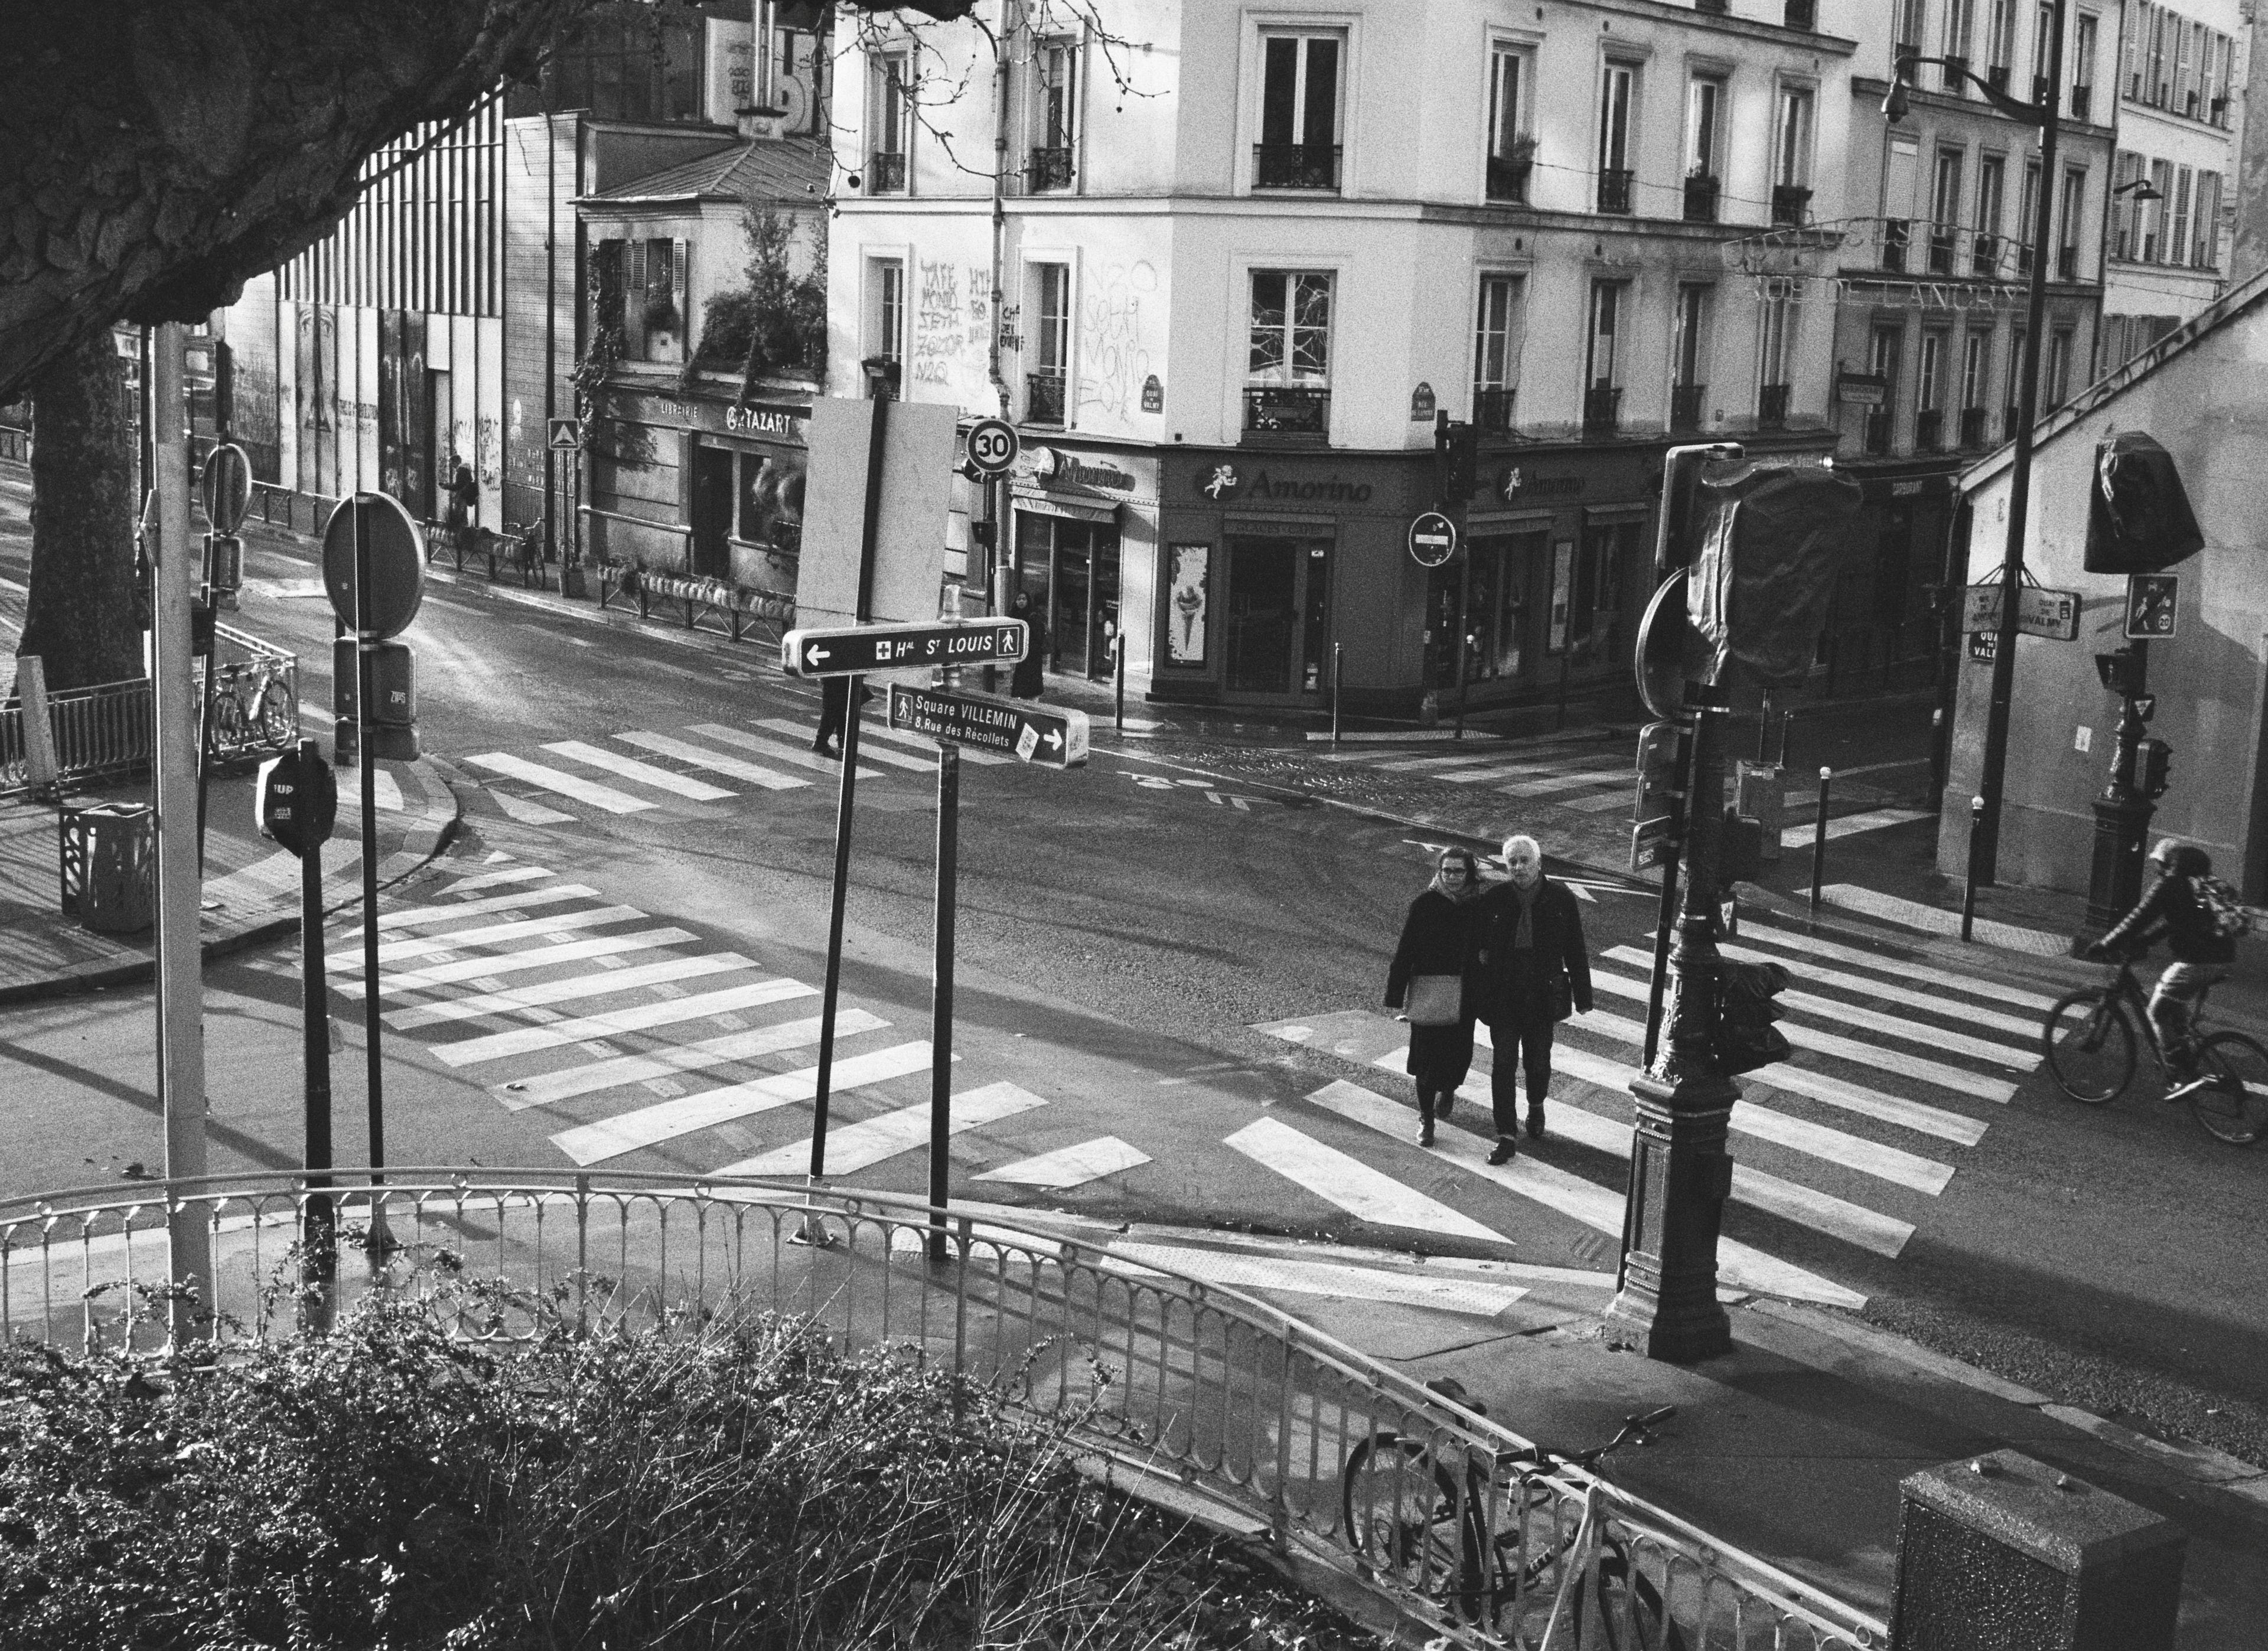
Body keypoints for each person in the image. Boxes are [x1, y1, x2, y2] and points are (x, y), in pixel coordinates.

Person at [1470, 834, 1593, 1164]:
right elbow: (1477, 948)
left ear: (1539, 864)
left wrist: (1583, 995)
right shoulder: (1494, 898)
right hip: (1505, 996)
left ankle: (1536, 1104)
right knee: (1503, 1064)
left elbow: (1575, 948)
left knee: (1538, 1061)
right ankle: (1506, 1135)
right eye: (1512, 862)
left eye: (1525, 861)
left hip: (1542, 995)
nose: (1518, 867)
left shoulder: (1560, 898)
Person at [2084, 837, 2239, 1092]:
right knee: (2171, 999)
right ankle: (2186, 1049)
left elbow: (2139, 917)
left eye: (2158, 864)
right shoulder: (2195, 887)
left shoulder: (2168, 884)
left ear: (2166, 863)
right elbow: (2175, 923)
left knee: (2156, 1011)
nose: (2157, 869)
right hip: (2222, 959)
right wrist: (2146, 940)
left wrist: (2106, 944)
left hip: (2197, 961)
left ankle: (2179, 1075)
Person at [1384, 847, 1482, 1146]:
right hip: (1430, 990)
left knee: (1459, 1056)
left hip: (1465, 994)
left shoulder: (1478, 906)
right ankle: (1426, 1118)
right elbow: (1406, 949)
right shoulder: (1425, 904)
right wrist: (1395, 993)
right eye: (1447, 871)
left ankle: (1449, 1087)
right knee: (1425, 1061)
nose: (1452, 877)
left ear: (1470, 874)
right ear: (1439, 872)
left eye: (1459, 871)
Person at [812, 674, 872, 758]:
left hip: (836, 674)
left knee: (839, 706)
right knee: (836, 707)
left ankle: (842, 744)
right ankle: (824, 742)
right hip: (836, 674)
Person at [1009, 592, 1047, 700]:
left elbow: (1039, 635)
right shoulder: (1013, 615)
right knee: (1020, 680)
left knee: (1032, 681)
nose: (1021, 601)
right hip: (1020, 654)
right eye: (1019, 599)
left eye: (1024, 599)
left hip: (1032, 654)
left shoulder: (1034, 615)